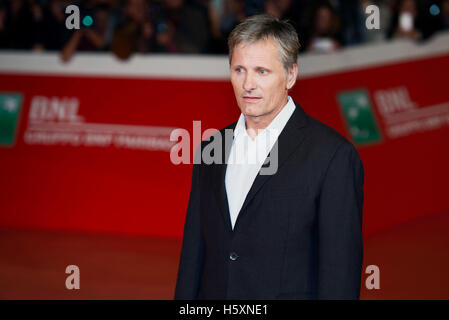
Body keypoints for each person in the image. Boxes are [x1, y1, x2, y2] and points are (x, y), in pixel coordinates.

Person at [174, 14, 364, 300]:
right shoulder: (211, 148)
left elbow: (339, 271)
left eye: (262, 71)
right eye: (239, 69)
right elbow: (193, 254)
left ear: (291, 75)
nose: (247, 84)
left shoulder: (333, 156)